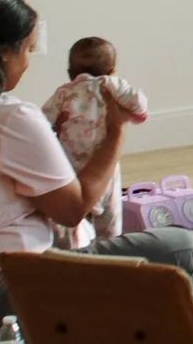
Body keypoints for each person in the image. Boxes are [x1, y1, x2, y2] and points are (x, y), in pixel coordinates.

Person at [0, 0, 193, 344]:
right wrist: (116, 131)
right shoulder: (9, 116)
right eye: (27, 50)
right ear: (3, 51)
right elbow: (74, 210)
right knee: (180, 246)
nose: (26, 64)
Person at [41, 35, 150, 243]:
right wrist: (136, 115)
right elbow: (139, 104)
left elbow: (42, 121)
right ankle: (110, 244)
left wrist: (56, 129)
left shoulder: (64, 93)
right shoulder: (113, 85)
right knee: (110, 212)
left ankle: (77, 244)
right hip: (105, 160)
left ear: (70, 73)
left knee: (75, 209)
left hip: (71, 164)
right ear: (112, 71)